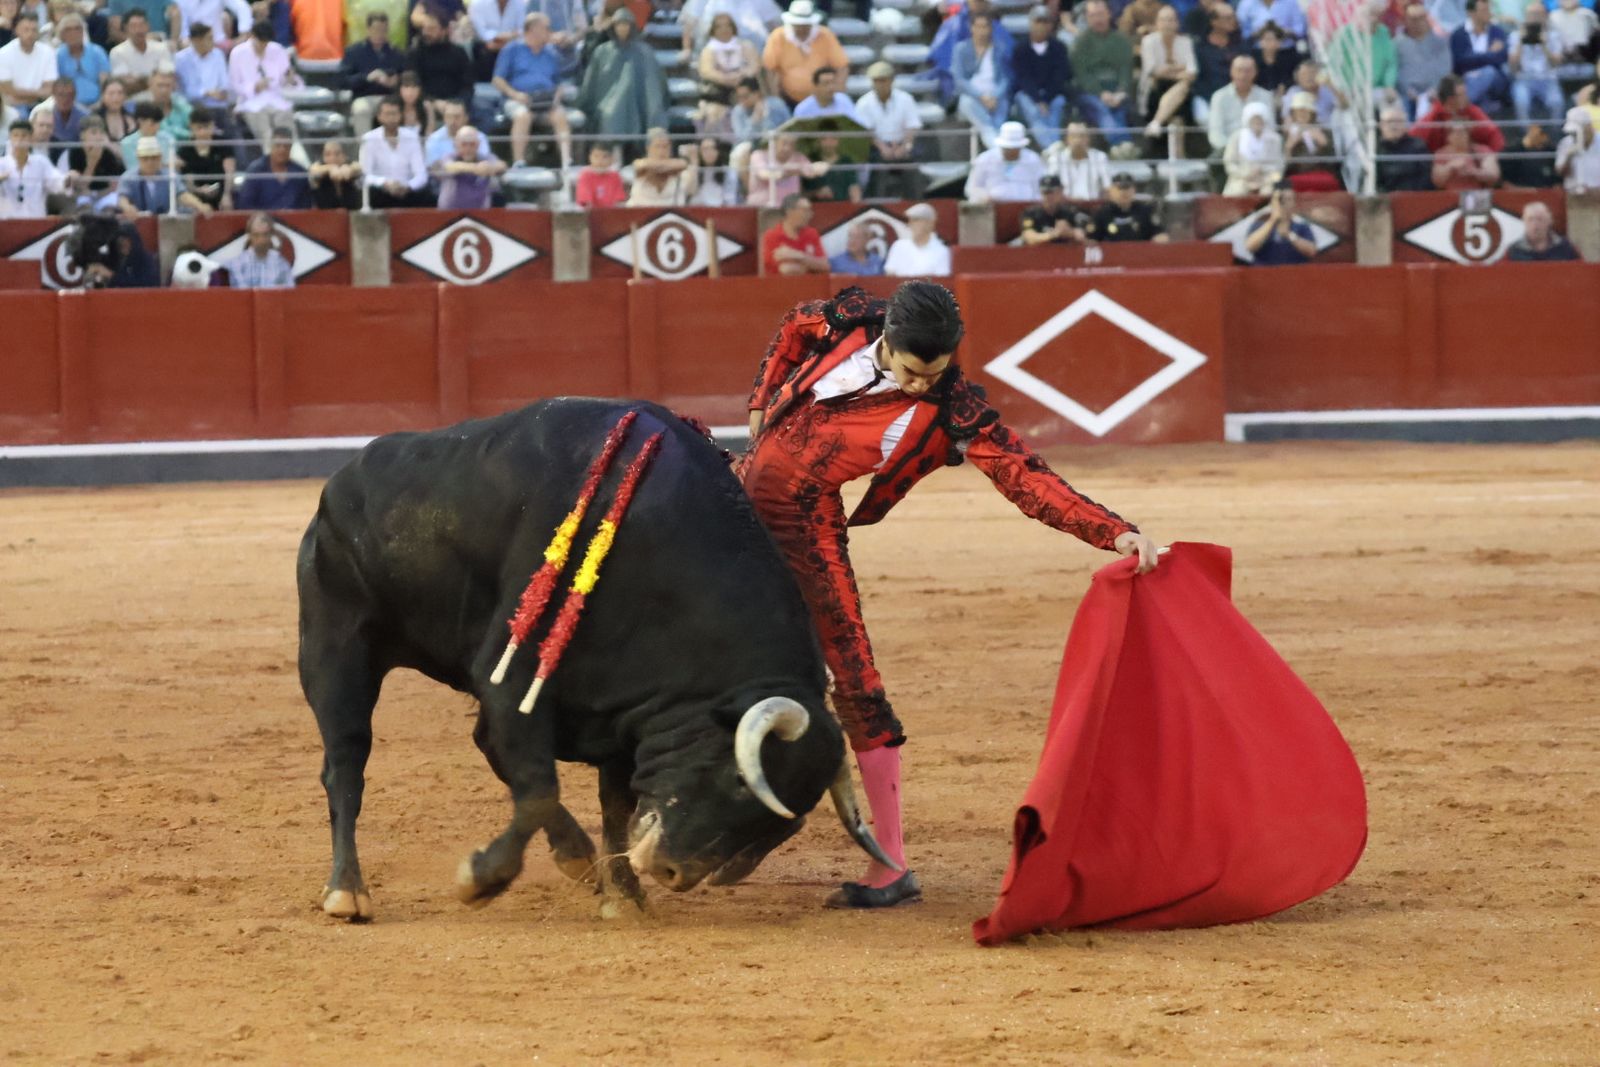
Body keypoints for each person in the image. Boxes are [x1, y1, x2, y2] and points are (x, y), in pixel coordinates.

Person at [740, 280, 1159, 908]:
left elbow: (1026, 477)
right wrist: (761, 398)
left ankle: (892, 870)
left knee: (855, 678)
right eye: (911, 371)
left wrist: (1115, 533)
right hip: (734, 499)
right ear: (886, 341)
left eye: (932, 373)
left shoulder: (952, 410)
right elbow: (798, 323)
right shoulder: (852, 321)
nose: (919, 385)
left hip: (806, 529)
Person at [575, 8, 666, 161]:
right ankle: (614, 159)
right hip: (606, 104)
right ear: (613, 27)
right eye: (619, 24)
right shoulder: (602, 51)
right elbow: (592, 83)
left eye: (626, 24)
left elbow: (654, 84)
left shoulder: (644, 52)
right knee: (611, 114)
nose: (622, 28)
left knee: (647, 114)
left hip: (640, 104)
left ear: (632, 26)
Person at [492, 13, 572, 167]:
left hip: (546, 101)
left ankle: (566, 161)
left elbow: (559, 82)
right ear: (533, 29)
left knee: (560, 115)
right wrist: (515, 95)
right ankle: (519, 161)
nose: (550, 31)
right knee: (523, 115)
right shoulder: (512, 49)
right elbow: (497, 80)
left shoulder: (551, 53)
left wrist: (557, 96)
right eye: (546, 28)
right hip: (518, 99)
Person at [855, 61, 921, 199]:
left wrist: (905, 146)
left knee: (912, 166)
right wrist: (882, 147)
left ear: (891, 80)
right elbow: (866, 132)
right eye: (876, 81)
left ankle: (914, 202)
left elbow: (912, 126)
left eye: (883, 80)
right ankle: (876, 202)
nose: (879, 84)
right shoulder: (864, 103)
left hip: (902, 144)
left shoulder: (905, 99)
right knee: (878, 166)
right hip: (876, 148)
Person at [761, 0, 846, 106]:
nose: (801, 28)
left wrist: (838, 93)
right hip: (788, 98)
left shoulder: (825, 35)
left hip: (822, 99)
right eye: (798, 25)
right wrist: (776, 98)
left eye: (805, 25)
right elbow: (769, 69)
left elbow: (841, 66)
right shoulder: (778, 37)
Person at [1072, 0, 1134, 145]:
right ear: (1087, 18)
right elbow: (1081, 75)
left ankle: (1122, 149)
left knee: (1120, 109)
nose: (1097, 19)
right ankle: (1122, 145)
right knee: (1101, 108)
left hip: (1118, 92)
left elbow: (1126, 70)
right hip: (1090, 93)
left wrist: (1121, 92)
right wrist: (1101, 93)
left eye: (1100, 14)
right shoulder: (1080, 43)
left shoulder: (1121, 41)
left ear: (1109, 14)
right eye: (1093, 15)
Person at [1011, 5, 1072, 151]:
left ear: (1051, 25)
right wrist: (1038, 100)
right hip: (1028, 94)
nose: (1042, 26)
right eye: (1038, 22)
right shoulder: (1021, 49)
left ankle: (1051, 149)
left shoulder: (1059, 47)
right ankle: (1053, 147)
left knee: (1057, 105)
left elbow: (1060, 76)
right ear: (1031, 23)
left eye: (1046, 22)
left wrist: (1046, 99)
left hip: (1053, 93)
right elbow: (1023, 78)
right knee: (1032, 110)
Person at [229, 20, 295, 150]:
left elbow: (286, 79)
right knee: (267, 134)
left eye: (266, 43)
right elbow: (234, 85)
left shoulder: (277, 49)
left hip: (276, 100)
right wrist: (254, 87)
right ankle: (271, 161)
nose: (264, 46)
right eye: (261, 43)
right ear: (252, 37)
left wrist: (289, 78)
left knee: (286, 129)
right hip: (251, 103)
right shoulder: (237, 53)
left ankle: (294, 161)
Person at [953, 11, 1010, 150]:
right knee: (968, 104)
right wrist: (981, 96)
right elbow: (959, 80)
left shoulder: (999, 49)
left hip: (995, 96)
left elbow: (1005, 79)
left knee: (1003, 105)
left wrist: (995, 96)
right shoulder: (960, 49)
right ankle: (998, 149)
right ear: (971, 28)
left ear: (990, 28)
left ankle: (998, 141)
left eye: (985, 26)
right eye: (978, 26)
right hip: (972, 97)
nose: (982, 31)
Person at [696, 12, 759, 137]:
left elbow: (755, 66)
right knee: (712, 114)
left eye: (727, 26)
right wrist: (726, 78)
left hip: (743, 89)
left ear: (733, 28)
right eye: (719, 26)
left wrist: (741, 75)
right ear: (713, 30)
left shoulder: (745, 46)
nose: (724, 29)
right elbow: (706, 71)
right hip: (718, 95)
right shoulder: (708, 50)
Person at [360, 93, 431, 206]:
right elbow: (365, 174)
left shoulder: (412, 137)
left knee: (427, 193)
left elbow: (421, 174)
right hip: (381, 192)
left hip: (407, 191)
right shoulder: (369, 139)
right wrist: (385, 183)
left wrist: (408, 186)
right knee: (370, 192)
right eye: (387, 114)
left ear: (400, 115)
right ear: (379, 116)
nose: (391, 118)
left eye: (394, 114)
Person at [1140, 5, 1197, 140]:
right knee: (1182, 86)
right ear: (1157, 23)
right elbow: (1154, 72)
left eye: (1171, 20)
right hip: (1154, 89)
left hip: (1181, 91)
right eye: (1163, 20)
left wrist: (1169, 70)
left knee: (1183, 90)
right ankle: (1157, 123)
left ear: (1177, 23)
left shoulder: (1186, 42)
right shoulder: (1148, 42)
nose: (1167, 24)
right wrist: (1179, 69)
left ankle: (1156, 123)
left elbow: (1192, 72)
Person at [341, 11, 402, 136]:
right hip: (364, 96)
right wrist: (367, 78)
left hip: (389, 96)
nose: (380, 34)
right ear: (368, 30)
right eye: (376, 29)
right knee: (360, 109)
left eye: (384, 30)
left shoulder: (395, 53)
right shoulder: (354, 52)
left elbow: (406, 77)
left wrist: (395, 82)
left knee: (401, 107)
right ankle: (365, 149)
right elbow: (342, 81)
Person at [406, 10, 471, 122]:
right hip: (425, 102)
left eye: (431, 29)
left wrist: (456, 103)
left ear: (444, 30)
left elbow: (468, 85)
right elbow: (413, 84)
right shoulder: (415, 54)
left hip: (455, 101)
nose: (426, 33)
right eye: (424, 29)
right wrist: (434, 102)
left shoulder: (459, 53)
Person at [1414, 72, 1506, 148]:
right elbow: (1413, 137)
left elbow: (1493, 134)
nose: (1467, 97)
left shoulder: (1471, 110)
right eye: (1462, 95)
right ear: (1450, 99)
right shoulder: (1433, 118)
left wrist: (1493, 158)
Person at [1509, 2, 1567, 121]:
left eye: (1538, 14)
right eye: (1531, 14)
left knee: (1557, 103)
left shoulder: (1554, 36)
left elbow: (1556, 63)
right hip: (1524, 80)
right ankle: (1527, 138)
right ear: (1525, 16)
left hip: (1548, 79)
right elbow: (1513, 66)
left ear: (1545, 16)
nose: (1534, 17)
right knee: (1521, 102)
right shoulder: (1515, 35)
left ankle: (1555, 136)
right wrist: (1521, 41)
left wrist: (1545, 45)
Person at [117, 133, 203, 213]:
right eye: (145, 158)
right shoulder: (128, 177)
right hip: (136, 222)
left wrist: (199, 205)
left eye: (154, 158)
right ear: (138, 159)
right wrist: (127, 207)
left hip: (165, 222)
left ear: (160, 158)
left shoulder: (170, 176)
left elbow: (182, 194)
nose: (150, 162)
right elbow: (122, 198)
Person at [964, 119, 1046, 202]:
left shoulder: (1033, 159)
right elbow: (971, 188)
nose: (1011, 151)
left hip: (1026, 208)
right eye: (1008, 148)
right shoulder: (985, 159)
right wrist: (985, 197)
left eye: (1015, 148)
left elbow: (1041, 188)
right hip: (992, 207)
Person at [1396, 1, 1452, 118]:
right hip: (1407, 95)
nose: (1418, 22)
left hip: (1434, 94)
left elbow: (1445, 70)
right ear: (1405, 20)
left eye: (1421, 17)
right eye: (1413, 18)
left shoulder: (1440, 43)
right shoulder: (1397, 44)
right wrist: (1408, 90)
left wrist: (1435, 90)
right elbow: (1395, 71)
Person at [1451, 0, 1510, 110]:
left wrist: (1474, 59)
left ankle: (1462, 107)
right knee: (1483, 99)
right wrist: (1489, 54)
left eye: (1489, 9)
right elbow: (1460, 61)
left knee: (1489, 72)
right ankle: (1481, 108)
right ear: (1471, 13)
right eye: (1484, 10)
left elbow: (1501, 57)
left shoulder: (1498, 32)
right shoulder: (1459, 34)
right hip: (1466, 80)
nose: (1489, 13)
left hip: (1495, 81)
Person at [1193, 2, 1245, 124]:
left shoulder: (1240, 45)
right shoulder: (1200, 47)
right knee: (1205, 118)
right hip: (1207, 97)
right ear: (1214, 22)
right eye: (1228, 18)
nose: (1233, 21)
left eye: (1234, 17)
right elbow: (1198, 78)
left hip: (1236, 97)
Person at [235, 122, 309, 209]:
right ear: (270, 146)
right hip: (263, 221)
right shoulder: (256, 171)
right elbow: (245, 205)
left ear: (291, 147)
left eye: (286, 146)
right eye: (278, 145)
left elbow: (306, 207)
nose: (282, 150)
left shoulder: (300, 172)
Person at [1208, 53, 1272, 152]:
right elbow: (1215, 134)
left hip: (1259, 150)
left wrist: (1253, 147)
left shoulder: (1265, 96)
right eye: (1239, 70)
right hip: (1227, 150)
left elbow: (1270, 128)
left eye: (1247, 71)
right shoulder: (1219, 97)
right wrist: (1234, 150)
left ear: (1255, 73)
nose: (1243, 75)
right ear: (1231, 72)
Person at [0, 116, 62, 215]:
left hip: (35, 220)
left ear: (31, 138)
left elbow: (57, 182)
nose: (19, 139)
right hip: (6, 223)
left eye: (24, 136)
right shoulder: (1, 163)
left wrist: (68, 179)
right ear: (10, 138)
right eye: (16, 135)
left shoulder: (40, 161)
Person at [175, 104, 233, 210]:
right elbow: (187, 182)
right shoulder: (185, 150)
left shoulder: (223, 144)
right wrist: (199, 190)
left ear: (212, 126)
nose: (203, 132)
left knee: (228, 203)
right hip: (196, 195)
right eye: (199, 128)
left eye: (206, 127)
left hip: (222, 191)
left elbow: (229, 171)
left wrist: (226, 195)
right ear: (191, 127)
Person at [0, 10, 54, 119]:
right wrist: (37, 93)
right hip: (13, 105)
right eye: (26, 30)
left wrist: (20, 94)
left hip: (41, 104)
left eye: (34, 30)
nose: (30, 34)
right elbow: (7, 90)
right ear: (17, 30)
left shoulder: (48, 52)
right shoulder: (4, 53)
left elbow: (49, 89)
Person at [745, 129, 821, 206]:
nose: (787, 148)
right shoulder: (758, 155)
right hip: (762, 207)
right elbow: (765, 174)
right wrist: (794, 171)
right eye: (784, 143)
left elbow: (811, 172)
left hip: (790, 209)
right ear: (774, 143)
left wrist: (821, 166)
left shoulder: (798, 157)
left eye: (792, 144)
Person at [435, 123, 504, 208]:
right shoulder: (449, 157)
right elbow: (450, 167)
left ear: (478, 144)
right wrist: (475, 168)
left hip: (480, 214)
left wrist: (490, 167)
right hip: (449, 213)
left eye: (472, 144)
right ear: (456, 144)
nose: (468, 148)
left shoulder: (485, 158)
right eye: (464, 144)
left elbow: (501, 165)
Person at [1281, 89, 1340, 188]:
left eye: (1306, 110)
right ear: (1293, 113)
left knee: (1330, 180)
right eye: (1299, 111)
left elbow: (1333, 161)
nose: (1302, 114)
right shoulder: (1287, 132)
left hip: (1321, 171)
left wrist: (1324, 144)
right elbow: (1283, 166)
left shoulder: (1323, 130)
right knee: (1285, 184)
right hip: (1296, 173)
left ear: (1312, 113)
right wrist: (1289, 146)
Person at [173, 23, 231, 123]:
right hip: (192, 106)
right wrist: (206, 93)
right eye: (209, 38)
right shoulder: (181, 59)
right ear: (197, 41)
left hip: (217, 106)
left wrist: (222, 92)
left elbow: (224, 82)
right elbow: (186, 91)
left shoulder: (218, 54)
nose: (213, 41)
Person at [1243, 183, 1315, 263]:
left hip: (1293, 272)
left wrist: (1289, 235)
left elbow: (1311, 251)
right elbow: (1250, 247)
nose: (1284, 203)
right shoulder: (1259, 224)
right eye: (1281, 199)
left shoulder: (1301, 227)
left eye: (1288, 199)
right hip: (1263, 272)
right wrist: (1272, 220)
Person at [63, 113, 123, 209]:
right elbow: (80, 187)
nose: (98, 137)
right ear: (82, 135)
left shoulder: (107, 153)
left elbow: (113, 185)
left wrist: (100, 194)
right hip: (82, 195)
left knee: (110, 209)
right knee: (84, 207)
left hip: (104, 195)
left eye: (101, 133)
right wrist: (92, 163)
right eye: (94, 133)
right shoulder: (75, 152)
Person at [760, 191, 827, 274]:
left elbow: (825, 266)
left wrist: (798, 255)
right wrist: (811, 264)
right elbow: (786, 269)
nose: (810, 215)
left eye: (810, 210)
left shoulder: (812, 233)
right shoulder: (772, 235)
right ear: (790, 212)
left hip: (810, 285)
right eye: (805, 210)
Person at [1087, 171, 1168, 240]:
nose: (1124, 192)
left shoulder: (1145, 212)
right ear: (1111, 191)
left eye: (1127, 188)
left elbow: (1161, 235)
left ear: (1134, 190)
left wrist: (1159, 239)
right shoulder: (1101, 214)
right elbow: (1091, 240)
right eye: (1119, 188)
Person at [1223, 97, 1282, 191]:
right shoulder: (1236, 138)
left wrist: (1261, 170)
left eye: (1260, 119)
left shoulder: (1275, 139)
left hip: (1267, 177)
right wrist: (1246, 174)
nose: (1257, 122)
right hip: (1241, 177)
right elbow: (1229, 163)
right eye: (1254, 119)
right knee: (1238, 191)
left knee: (1270, 190)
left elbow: (1279, 165)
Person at [626, 125, 696, 205]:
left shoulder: (680, 170)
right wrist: (674, 166)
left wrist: (693, 161)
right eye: (657, 146)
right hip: (640, 214)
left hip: (672, 215)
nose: (661, 151)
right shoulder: (640, 165)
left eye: (665, 147)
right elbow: (640, 165)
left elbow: (691, 190)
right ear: (648, 148)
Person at [107, 9, 168, 94]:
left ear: (148, 26)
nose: (139, 30)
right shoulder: (117, 52)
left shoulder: (161, 48)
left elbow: (167, 77)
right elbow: (126, 84)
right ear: (126, 28)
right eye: (133, 26)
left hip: (161, 94)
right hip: (134, 98)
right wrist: (154, 79)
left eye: (142, 25)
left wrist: (140, 80)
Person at [882, 201, 950, 276]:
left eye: (916, 220)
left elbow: (941, 280)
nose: (911, 224)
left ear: (930, 223)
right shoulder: (898, 246)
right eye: (910, 221)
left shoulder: (942, 251)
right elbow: (890, 275)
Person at [54, 13, 108, 107]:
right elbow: (57, 87)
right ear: (62, 34)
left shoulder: (97, 52)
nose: (74, 33)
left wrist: (100, 103)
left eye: (77, 28)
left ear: (83, 31)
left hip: (98, 104)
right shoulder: (58, 56)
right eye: (68, 30)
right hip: (69, 106)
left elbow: (105, 82)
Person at [228, 211, 294, 287]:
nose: (261, 240)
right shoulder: (238, 265)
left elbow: (289, 293)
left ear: (271, 235)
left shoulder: (281, 263)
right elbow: (240, 296)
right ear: (249, 235)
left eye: (265, 235)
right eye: (256, 235)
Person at [1375, 104, 1435, 188]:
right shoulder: (1375, 150)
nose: (1393, 126)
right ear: (1381, 125)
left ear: (1405, 124)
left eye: (1398, 121)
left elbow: (1426, 175)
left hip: (1415, 197)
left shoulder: (1418, 145)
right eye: (1389, 121)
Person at [1049, 120, 1110, 198]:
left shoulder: (1100, 157)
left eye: (1081, 136)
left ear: (1088, 138)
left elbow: (1107, 187)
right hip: (1065, 207)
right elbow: (1051, 189)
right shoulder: (1056, 159)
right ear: (1067, 139)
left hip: (1093, 206)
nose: (1078, 140)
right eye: (1073, 136)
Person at [1431, 117, 1500, 185]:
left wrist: (1473, 172)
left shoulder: (1483, 150)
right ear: (1448, 137)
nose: (1458, 136)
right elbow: (1437, 182)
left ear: (1468, 134)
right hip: (1451, 195)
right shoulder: (1442, 153)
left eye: (1461, 132)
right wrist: (1450, 167)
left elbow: (1494, 176)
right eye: (1453, 132)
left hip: (1478, 194)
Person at [1020, 174, 1087, 244]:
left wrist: (1070, 232)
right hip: (1039, 252)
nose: (1048, 196)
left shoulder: (1071, 212)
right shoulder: (1031, 213)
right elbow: (1029, 237)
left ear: (1061, 192)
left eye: (1052, 192)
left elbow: (1086, 236)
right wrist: (1054, 234)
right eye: (1045, 193)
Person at [800, 127, 862, 202]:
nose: (828, 143)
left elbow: (854, 188)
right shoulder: (809, 160)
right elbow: (800, 193)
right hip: (814, 208)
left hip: (842, 207)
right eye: (824, 139)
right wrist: (816, 193)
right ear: (818, 140)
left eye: (833, 139)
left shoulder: (846, 161)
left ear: (838, 140)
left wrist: (856, 203)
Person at [1505, 199, 1581, 259]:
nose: (1535, 224)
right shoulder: (1514, 250)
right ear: (1524, 222)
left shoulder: (1565, 247)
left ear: (1549, 221)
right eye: (1530, 219)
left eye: (1540, 219)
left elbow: (1582, 271)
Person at [729, 75, 788, 146]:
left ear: (757, 94)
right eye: (739, 97)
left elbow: (789, 126)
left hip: (778, 145)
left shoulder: (776, 104)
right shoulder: (738, 112)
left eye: (745, 96)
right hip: (751, 149)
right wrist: (755, 120)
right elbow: (742, 139)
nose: (742, 101)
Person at [1497, 118, 1558, 185]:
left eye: (1546, 134)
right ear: (1531, 129)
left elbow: (1557, 182)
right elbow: (1505, 183)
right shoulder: (1511, 152)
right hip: (1519, 193)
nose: (1544, 138)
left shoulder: (1551, 152)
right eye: (1541, 133)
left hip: (1546, 193)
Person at [138, 66, 190, 140]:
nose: (164, 90)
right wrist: (182, 133)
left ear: (173, 87)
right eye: (160, 85)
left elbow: (196, 132)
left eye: (168, 86)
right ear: (150, 86)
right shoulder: (143, 108)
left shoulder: (182, 106)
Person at [309, 138, 362, 208]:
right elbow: (313, 169)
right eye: (327, 154)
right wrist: (331, 168)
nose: (333, 158)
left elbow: (358, 167)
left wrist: (348, 170)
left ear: (344, 156)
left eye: (337, 154)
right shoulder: (319, 167)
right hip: (325, 216)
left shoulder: (349, 165)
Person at [792, 65, 858, 122]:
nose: (831, 87)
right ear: (815, 86)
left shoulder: (844, 101)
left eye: (833, 82)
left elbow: (857, 126)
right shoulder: (803, 109)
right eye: (826, 83)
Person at [1557, 104, 1600, 190]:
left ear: (1588, 126)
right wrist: (1568, 157)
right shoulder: (1565, 143)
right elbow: (1561, 173)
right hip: (1574, 194)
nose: (1575, 135)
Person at [687, 135, 738, 205]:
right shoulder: (693, 169)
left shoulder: (729, 172)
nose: (709, 152)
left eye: (713, 148)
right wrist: (694, 163)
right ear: (699, 152)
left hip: (720, 211)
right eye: (705, 149)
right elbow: (690, 192)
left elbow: (730, 199)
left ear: (718, 151)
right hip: (698, 208)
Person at [31, 75, 83, 145]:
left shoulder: (84, 116)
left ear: (75, 95)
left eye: (69, 95)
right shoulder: (39, 112)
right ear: (53, 94)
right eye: (61, 94)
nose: (65, 99)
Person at [118, 100, 170, 167]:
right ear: (140, 121)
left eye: (159, 123)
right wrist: (165, 165)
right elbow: (134, 168)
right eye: (152, 123)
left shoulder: (167, 138)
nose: (157, 127)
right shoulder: (127, 143)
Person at [574, 139, 625, 206]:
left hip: (611, 214)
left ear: (611, 159)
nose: (600, 161)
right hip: (592, 215)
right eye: (596, 156)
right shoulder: (585, 175)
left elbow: (619, 202)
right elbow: (586, 203)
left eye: (605, 157)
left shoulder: (615, 176)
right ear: (590, 157)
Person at [1236, 0, 1305, 41]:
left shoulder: (1290, 2)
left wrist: (1283, 31)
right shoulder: (1246, 3)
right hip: (1257, 50)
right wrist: (1260, 32)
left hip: (1285, 49)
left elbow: (1300, 30)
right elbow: (1243, 33)